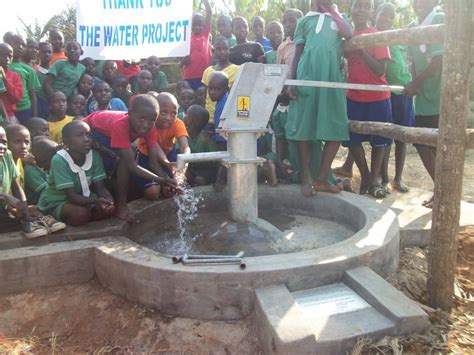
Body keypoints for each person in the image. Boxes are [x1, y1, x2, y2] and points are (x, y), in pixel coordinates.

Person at [287, 0, 352, 196]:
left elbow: (348, 34)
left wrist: (333, 12)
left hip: (332, 78)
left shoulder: (340, 18)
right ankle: (306, 175)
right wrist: (292, 80)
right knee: (304, 126)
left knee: (338, 126)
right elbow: (298, 52)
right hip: (307, 75)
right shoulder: (304, 21)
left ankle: (322, 177)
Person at [83, 94, 178, 222]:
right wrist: (161, 179)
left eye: (151, 120)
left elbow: (153, 162)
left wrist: (167, 180)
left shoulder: (150, 128)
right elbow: (132, 165)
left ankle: (119, 199)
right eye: (142, 119)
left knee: (124, 161)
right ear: (130, 114)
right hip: (93, 131)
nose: (146, 124)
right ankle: (121, 207)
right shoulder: (121, 125)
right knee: (124, 162)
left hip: (110, 132)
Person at [344, 0, 392, 198]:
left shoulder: (376, 35)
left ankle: (374, 181)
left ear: (371, 11)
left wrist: (362, 48)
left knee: (379, 141)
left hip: (378, 97)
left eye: (366, 6)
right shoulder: (346, 36)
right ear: (351, 9)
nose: (362, 10)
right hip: (354, 96)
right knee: (352, 140)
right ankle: (365, 177)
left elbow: (380, 70)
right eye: (358, 6)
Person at [403, 0, 444, 208]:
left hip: (440, 93)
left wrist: (415, 82)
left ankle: (443, 191)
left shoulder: (439, 19)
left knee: (436, 144)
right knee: (422, 143)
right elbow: (413, 60)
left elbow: (439, 61)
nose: (419, 2)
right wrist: (413, 82)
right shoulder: (412, 27)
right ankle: (441, 189)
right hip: (422, 95)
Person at [38, 121, 115, 226]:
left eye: (88, 135)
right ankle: (51, 219)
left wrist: (109, 200)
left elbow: (100, 188)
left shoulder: (94, 155)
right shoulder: (60, 160)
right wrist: (96, 200)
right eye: (80, 135)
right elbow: (72, 196)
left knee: (107, 210)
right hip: (58, 201)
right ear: (66, 141)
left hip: (85, 199)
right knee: (81, 215)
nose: (86, 139)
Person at [376, 3, 414, 193]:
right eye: (384, 15)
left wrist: (412, 82)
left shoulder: (398, 38)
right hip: (385, 94)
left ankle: (398, 178)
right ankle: (383, 177)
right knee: (385, 138)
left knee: (402, 137)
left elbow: (409, 61)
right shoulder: (372, 37)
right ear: (377, 14)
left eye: (390, 17)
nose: (386, 20)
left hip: (403, 93)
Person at [0, 126, 64, 238]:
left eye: (4, 142)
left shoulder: (7, 155)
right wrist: (5, 197)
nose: (1, 146)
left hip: (5, 208)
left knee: (30, 210)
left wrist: (25, 212)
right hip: (5, 209)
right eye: (17, 142)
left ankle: (31, 221)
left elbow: (17, 187)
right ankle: (28, 223)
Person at [135, 93, 190, 199]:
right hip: (146, 158)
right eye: (163, 112)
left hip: (169, 155)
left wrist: (184, 163)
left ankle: (163, 185)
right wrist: (167, 163)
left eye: (173, 113)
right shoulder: (149, 125)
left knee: (172, 189)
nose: (168, 118)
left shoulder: (178, 123)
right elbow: (156, 149)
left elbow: (185, 146)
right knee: (153, 193)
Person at [273, 8, 303, 183]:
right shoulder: (283, 47)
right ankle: (286, 170)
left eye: (292, 21)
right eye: (285, 22)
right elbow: (279, 74)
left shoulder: (308, 43)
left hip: (302, 98)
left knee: (300, 139)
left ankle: (302, 172)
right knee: (283, 136)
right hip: (286, 99)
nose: (288, 25)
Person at [201, 36, 239, 124]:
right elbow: (204, 96)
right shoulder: (208, 71)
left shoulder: (238, 70)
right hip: (209, 118)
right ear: (214, 51)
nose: (222, 52)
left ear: (229, 50)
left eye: (225, 49)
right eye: (218, 49)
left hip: (227, 117)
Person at [6, 34, 40, 123]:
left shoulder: (29, 70)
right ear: (8, 43)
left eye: (23, 45)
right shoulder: (3, 66)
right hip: (7, 109)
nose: (20, 47)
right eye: (16, 43)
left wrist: (35, 117)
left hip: (25, 110)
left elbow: (33, 95)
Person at [183, 104, 220, 186]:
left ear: (190, 120)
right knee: (184, 175)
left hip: (206, 170)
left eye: (186, 114)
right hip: (191, 168)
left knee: (199, 180)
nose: (184, 116)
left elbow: (216, 161)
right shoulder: (183, 135)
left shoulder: (207, 138)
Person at [181, 0, 212, 90]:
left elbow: (209, 12)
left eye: (200, 25)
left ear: (204, 26)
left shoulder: (205, 34)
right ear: (190, 25)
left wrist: (205, 2)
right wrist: (182, 62)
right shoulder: (186, 38)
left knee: (202, 98)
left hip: (204, 75)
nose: (197, 27)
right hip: (189, 75)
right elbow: (182, 61)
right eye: (194, 25)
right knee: (190, 99)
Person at [24, 138, 57, 204]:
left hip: (50, 199)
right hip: (38, 203)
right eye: (55, 156)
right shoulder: (30, 170)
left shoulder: (46, 168)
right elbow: (46, 191)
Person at [0, 43, 23, 124]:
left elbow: (16, 98)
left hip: (9, 116)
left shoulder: (15, 76)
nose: (7, 59)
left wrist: (5, 79)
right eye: (2, 55)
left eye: (10, 56)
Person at [5, 124, 30, 189]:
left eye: (27, 142)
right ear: (5, 143)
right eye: (17, 142)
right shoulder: (4, 166)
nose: (24, 146)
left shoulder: (19, 159)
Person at [36, 42, 52, 118]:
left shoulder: (56, 70)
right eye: (43, 52)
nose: (47, 54)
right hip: (40, 107)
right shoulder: (35, 71)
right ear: (38, 54)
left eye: (49, 52)